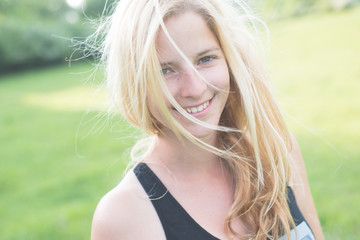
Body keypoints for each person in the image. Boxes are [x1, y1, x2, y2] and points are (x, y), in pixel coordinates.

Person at [90, 0, 324, 239]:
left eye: (205, 59)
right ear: (135, 82)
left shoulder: (277, 151)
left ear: (231, 60)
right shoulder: (123, 217)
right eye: (165, 70)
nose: (195, 88)